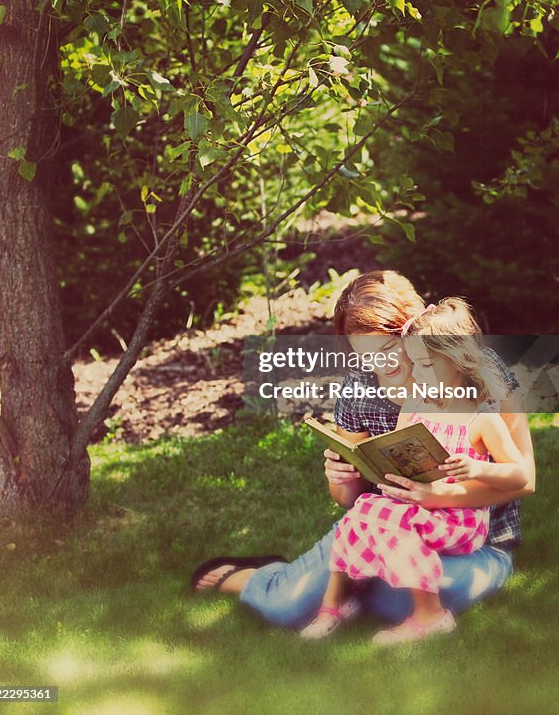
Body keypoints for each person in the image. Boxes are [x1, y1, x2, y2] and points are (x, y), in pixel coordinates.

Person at [192, 271, 535, 629]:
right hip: (390, 525)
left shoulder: (478, 372)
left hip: (475, 542)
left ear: (415, 330)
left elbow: (523, 481)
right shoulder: (361, 389)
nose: (383, 367)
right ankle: (255, 577)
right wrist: (341, 475)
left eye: (389, 350)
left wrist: (436, 496)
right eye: (367, 357)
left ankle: (348, 584)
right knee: (286, 609)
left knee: (405, 599)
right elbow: (346, 498)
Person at [300, 297, 528, 644]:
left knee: (396, 522)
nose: (415, 373)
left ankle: (431, 615)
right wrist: (375, 467)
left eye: (424, 365)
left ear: (458, 361)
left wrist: (479, 467)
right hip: (418, 504)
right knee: (362, 511)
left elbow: (519, 476)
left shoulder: (482, 420)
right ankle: (333, 606)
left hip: (460, 518)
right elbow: (400, 452)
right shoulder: (414, 406)